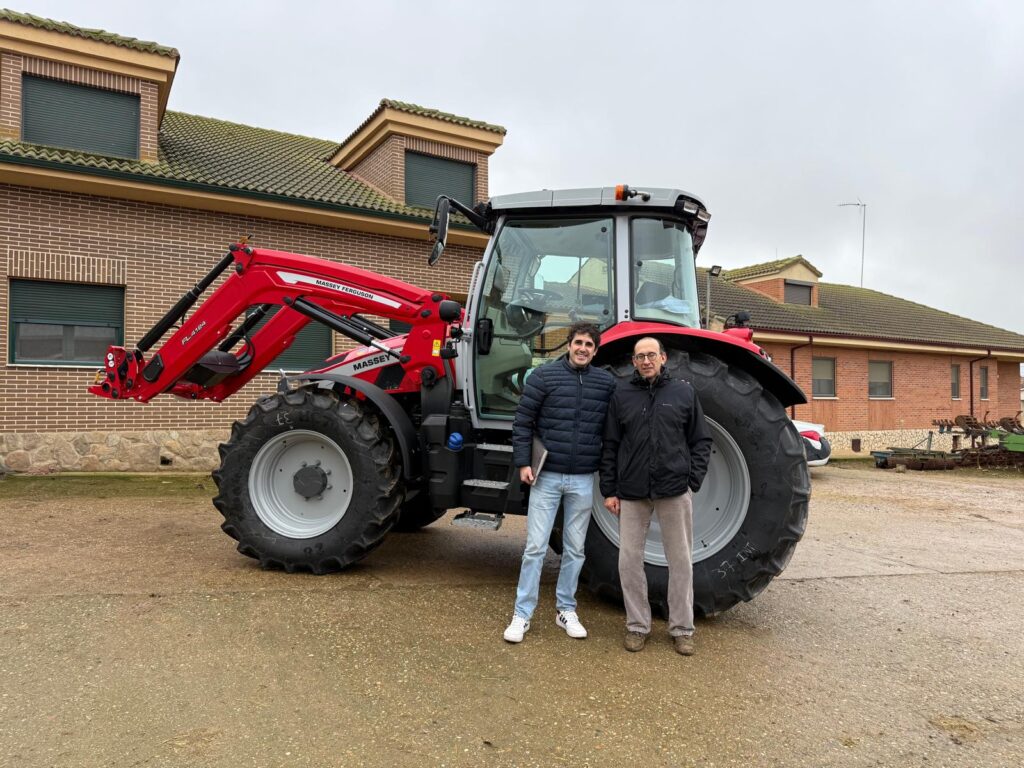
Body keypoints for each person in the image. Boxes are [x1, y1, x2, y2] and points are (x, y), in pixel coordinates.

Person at [503, 322, 617, 643]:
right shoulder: (544, 377)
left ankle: (565, 609)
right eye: (578, 342)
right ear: (569, 345)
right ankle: (522, 614)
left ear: (596, 350)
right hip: (547, 477)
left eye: (589, 345)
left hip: (583, 479)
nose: (583, 349)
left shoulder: (605, 384)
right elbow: (523, 420)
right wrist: (523, 462)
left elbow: (615, 427)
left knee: (575, 549)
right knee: (536, 547)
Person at [599, 337, 712, 656]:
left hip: (673, 489)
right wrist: (609, 489)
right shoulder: (622, 395)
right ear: (633, 362)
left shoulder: (684, 393)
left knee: (680, 560)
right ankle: (637, 625)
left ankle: (682, 628)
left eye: (651, 355)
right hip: (633, 491)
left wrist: (692, 480)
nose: (646, 361)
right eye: (639, 357)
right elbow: (610, 444)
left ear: (663, 358)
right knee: (629, 559)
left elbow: (701, 441)